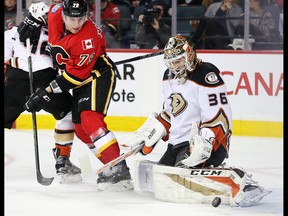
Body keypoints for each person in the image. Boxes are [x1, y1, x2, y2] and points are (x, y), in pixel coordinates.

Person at [125, 35, 271, 206]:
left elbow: (219, 115)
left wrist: (205, 143)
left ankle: (242, 183)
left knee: (180, 177)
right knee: (162, 176)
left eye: (178, 61)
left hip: (206, 144)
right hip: (177, 144)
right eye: (170, 62)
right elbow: (170, 112)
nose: (174, 66)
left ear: (189, 55)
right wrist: (151, 134)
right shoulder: (168, 75)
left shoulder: (206, 74)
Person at [24, 0, 133, 191]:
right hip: (80, 76)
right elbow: (48, 7)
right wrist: (32, 21)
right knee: (81, 129)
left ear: (87, 17)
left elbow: (73, 78)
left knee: (90, 118)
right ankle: (111, 165)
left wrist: (45, 92)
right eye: (71, 19)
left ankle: (118, 167)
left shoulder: (87, 38)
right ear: (63, 15)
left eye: (81, 19)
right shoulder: (55, 12)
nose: (76, 24)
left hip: (97, 74)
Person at [4, 2, 82, 184]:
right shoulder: (61, 34)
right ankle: (62, 160)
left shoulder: (14, 33)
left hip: (16, 83)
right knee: (69, 113)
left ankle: (63, 160)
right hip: (46, 85)